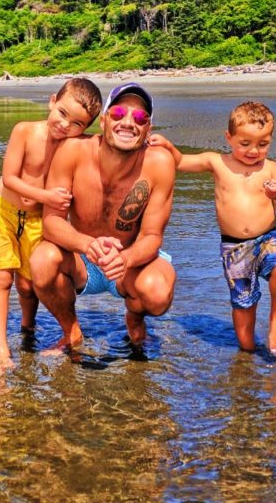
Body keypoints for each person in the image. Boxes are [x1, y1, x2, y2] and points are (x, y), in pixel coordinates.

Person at [31, 83, 177, 351]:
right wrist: (87, 244)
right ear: (103, 121)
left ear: (148, 129)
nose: (129, 122)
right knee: (42, 261)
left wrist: (125, 259)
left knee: (157, 294)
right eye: (119, 113)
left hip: (129, 261)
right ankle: (71, 331)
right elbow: (51, 223)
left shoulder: (159, 163)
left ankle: (134, 318)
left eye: (140, 118)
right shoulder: (73, 151)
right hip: (82, 259)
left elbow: (152, 235)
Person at [149, 101, 276, 354]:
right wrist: (167, 146)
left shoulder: (272, 168)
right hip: (234, 248)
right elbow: (181, 161)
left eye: (263, 144)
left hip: (267, 238)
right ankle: (248, 354)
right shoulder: (217, 162)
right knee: (243, 304)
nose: (253, 151)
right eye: (245, 143)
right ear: (229, 137)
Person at [0, 77, 103, 366]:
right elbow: (9, 178)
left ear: (85, 128)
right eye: (62, 113)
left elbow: (108, 140)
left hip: (36, 220)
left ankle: (28, 328)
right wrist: (45, 195)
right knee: (1, 278)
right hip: (1, 212)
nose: (65, 125)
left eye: (77, 123)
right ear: (51, 101)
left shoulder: (75, 145)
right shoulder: (24, 131)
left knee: (28, 284)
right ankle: (0, 350)